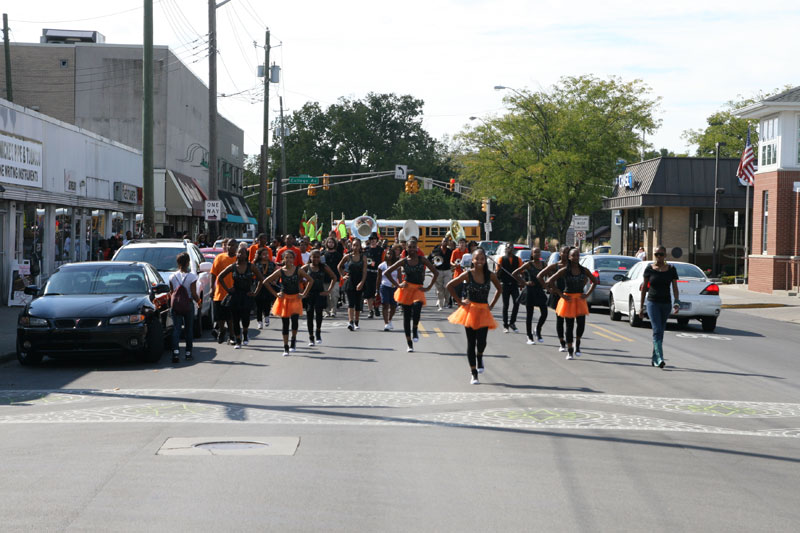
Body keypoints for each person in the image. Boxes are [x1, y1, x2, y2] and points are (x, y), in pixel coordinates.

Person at [447, 248, 502, 384]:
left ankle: (480, 356)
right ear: (472, 260)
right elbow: (450, 286)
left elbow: (499, 289)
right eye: (477, 258)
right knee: (471, 342)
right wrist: (459, 302)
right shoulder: (468, 274)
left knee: (482, 342)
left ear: (485, 260)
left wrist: (492, 305)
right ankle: (474, 373)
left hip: (483, 311)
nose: (479, 261)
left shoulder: (490, 275)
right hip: (470, 311)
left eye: (482, 259)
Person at [384, 238, 438, 352]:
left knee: (417, 307)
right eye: (410, 247)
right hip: (407, 289)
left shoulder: (422, 259)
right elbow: (387, 272)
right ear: (406, 248)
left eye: (414, 247)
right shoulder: (403, 261)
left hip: (418, 289)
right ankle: (409, 344)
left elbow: (435, 272)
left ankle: (415, 328)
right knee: (407, 316)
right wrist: (397, 285)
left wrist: (428, 287)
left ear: (417, 248)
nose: (412, 249)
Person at [546, 248, 597, 360]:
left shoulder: (584, 270)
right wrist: (560, 294)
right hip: (568, 299)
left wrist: (587, 294)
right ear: (569, 257)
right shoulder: (564, 270)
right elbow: (549, 281)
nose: (576, 257)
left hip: (579, 299)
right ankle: (569, 351)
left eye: (578, 255)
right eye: (573, 255)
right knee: (569, 326)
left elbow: (595, 281)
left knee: (581, 324)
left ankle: (577, 343)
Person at [263, 250, 313, 356]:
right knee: (285, 324)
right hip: (284, 299)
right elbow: (265, 282)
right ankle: (285, 347)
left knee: (294, 321)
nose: (289, 260)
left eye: (291, 257)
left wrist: (303, 294)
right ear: (283, 259)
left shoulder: (298, 270)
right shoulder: (280, 271)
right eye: (287, 257)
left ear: (294, 259)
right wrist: (276, 294)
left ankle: (293, 340)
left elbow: (310, 280)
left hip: (295, 298)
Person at [639, 245, 680, 368]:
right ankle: (660, 358)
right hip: (652, 303)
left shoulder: (671, 269)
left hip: (666, 304)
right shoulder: (649, 269)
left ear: (665, 255)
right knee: (656, 330)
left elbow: (675, 287)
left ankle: (654, 359)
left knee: (660, 331)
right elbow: (644, 289)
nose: (658, 257)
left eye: (661, 254)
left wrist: (677, 302)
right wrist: (641, 307)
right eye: (656, 254)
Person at [218, 246, 265, 348]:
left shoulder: (251, 266)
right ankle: (238, 339)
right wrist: (228, 289)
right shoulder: (233, 266)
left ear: (246, 255)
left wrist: (255, 292)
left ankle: (245, 334)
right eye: (239, 253)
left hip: (247, 295)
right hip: (235, 296)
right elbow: (220, 277)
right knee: (235, 319)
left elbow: (261, 279)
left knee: (245, 318)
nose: (240, 255)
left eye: (243, 253)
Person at [169, 252, 202, 363]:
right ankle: (188, 353)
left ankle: (175, 353)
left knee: (176, 329)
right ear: (188, 263)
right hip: (188, 304)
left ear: (178, 263)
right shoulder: (192, 277)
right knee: (189, 329)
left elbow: (172, 292)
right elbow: (193, 293)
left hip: (176, 306)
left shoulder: (172, 276)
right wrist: (198, 301)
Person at [537, 246, 571, 352]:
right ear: (559, 254)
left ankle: (569, 340)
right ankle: (562, 342)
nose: (565, 254)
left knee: (569, 321)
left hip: (570, 295)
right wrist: (548, 288)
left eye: (567, 252)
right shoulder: (555, 266)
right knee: (560, 319)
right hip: (557, 296)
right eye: (563, 252)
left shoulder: (573, 266)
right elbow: (540, 276)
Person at [513, 247, 549, 344]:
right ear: (532, 254)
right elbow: (515, 273)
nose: (537, 254)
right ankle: (529, 336)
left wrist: (547, 284)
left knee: (545, 312)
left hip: (540, 291)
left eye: (539, 252)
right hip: (530, 291)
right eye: (535, 252)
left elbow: (549, 275)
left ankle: (537, 329)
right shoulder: (528, 264)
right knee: (530, 315)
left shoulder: (544, 264)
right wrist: (525, 283)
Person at [302, 249, 337, 346]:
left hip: (320, 293)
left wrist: (328, 291)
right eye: (314, 257)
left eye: (318, 257)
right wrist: (302, 291)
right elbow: (297, 276)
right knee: (309, 315)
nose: (316, 259)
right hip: (309, 294)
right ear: (310, 257)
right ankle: (311, 337)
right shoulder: (306, 267)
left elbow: (334, 277)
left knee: (318, 314)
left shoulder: (323, 267)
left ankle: (318, 332)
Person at [210, 238, 238, 344]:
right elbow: (213, 273)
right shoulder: (219, 257)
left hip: (233, 293)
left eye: (233, 245)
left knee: (230, 317)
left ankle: (231, 336)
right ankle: (222, 331)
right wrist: (212, 287)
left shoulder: (238, 259)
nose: (230, 247)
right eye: (229, 245)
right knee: (220, 316)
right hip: (220, 292)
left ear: (237, 247)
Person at [338, 239, 368, 331]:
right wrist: (343, 276)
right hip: (350, 282)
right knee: (351, 303)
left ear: (360, 246)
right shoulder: (348, 256)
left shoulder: (363, 257)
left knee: (358, 303)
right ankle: (350, 322)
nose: (355, 247)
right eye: (354, 245)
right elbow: (339, 266)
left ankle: (356, 321)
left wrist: (362, 283)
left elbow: (364, 272)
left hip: (359, 281)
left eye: (357, 245)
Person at [497, 245, 523, 333]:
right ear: (505, 249)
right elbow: (498, 274)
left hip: (514, 285)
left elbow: (521, 272)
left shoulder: (518, 259)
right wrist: (499, 269)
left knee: (517, 303)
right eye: (508, 248)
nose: (510, 249)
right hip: (505, 285)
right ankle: (505, 325)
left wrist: (521, 282)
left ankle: (512, 322)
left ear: (513, 249)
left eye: (511, 248)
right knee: (506, 305)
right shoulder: (501, 259)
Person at [378, 244, 402, 331]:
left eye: (391, 254)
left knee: (393, 306)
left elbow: (399, 277)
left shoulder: (397, 265)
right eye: (388, 254)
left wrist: (401, 286)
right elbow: (379, 278)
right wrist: (377, 290)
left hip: (394, 288)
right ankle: (386, 323)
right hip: (384, 287)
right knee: (385, 305)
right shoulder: (382, 266)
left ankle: (390, 319)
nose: (389, 255)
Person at [254, 247, 277, 329]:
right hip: (258, 285)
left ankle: (266, 316)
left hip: (268, 286)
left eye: (267, 254)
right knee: (259, 304)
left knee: (267, 303)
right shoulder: (255, 264)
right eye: (263, 254)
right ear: (260, 255)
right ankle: (259, 321)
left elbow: (276, 273)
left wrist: (274, 280)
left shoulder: (271, 264)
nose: (266, 256)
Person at [429, 237, 453, 311]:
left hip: (447, 270)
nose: (445, 242)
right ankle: (440, 305)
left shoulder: (450, 251)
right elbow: (429, 259)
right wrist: (432, 264)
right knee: (440, 289)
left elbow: (453, 260)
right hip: (438, 271)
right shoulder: (435, 251)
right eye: (444, 241)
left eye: (446, 241)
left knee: (447, 286)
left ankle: (447, 301)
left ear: (448, 243)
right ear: (441, 242)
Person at [363, 233, 384, 319]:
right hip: (368, 273)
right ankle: (370, 310)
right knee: (368, 294)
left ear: (377, 240)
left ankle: (376, 307)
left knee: (377, 292)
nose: (373, 240)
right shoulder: (366, 250)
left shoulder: (381, 250)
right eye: (371, 239)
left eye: (374, 239)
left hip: (377, 273)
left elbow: (383, 261)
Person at [322, 237, 343, 317]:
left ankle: (333, 310)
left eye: (332, 242)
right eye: (329, 242)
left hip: (335, 278)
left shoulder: (338, 255)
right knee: (326, 295)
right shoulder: (323, 253)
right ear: (326, 243)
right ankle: (327, 311)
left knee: (334, 294)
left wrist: (342, 275)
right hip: (325, 278)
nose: (330, 244)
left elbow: (341, 266)